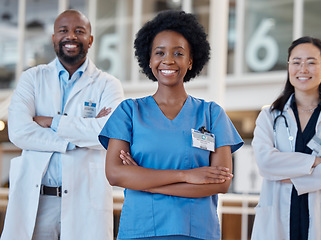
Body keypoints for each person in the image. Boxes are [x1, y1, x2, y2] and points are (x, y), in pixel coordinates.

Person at [98, 10, 243, 240]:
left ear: (191, 60)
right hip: (140, 230)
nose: (168, 60)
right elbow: (115, 174)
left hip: (196, 231)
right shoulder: (129, 112)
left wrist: (142, 180)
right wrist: (187, 175)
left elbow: (221, 183)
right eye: (160, 52)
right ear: (149, 59)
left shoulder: (211, 114)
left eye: (178, 53)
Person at [1, 9, 124, 240]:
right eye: (63, 31)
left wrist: (51, 122)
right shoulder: (32, 78)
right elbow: (18, 132)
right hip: (38, 202)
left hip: (85, 201)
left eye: (79, 31)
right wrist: (77, 139)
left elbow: (108, 134)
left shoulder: (108, 85)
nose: (71, 36)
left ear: (91, 39)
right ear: (54, 38)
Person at [251, 36, 321, 240]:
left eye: (311, 62)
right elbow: (265, 162)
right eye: (296, 62)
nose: (303, 69)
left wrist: (290, 176)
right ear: (288, 67)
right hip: (277, 223)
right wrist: (314, 162)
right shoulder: (269, 116)